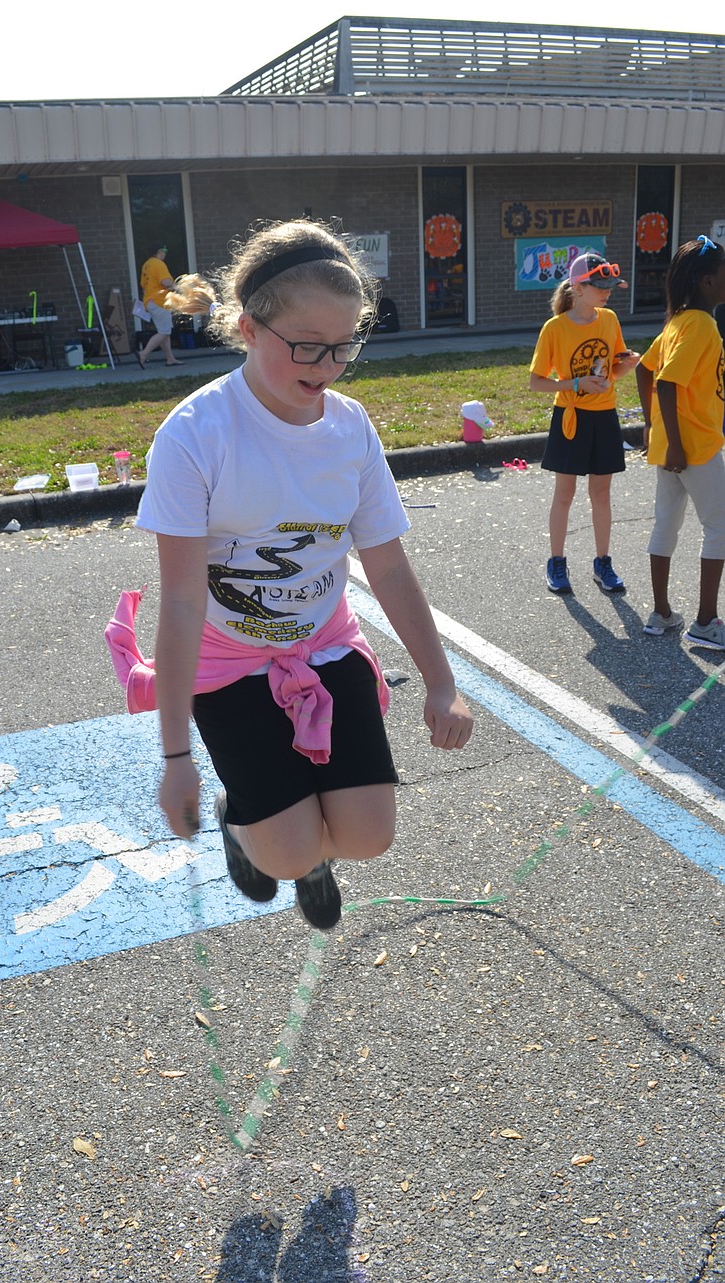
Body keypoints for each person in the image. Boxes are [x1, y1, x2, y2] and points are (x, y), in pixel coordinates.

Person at [134, 220, 473, 931]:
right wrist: (176, 758)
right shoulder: (195, 434)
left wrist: (441, 681)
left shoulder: (349, 428)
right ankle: (256, 830)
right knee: (287, 853)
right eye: (307, 346)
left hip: (321, 642)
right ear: (249, 327)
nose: (327, 365)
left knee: (369, 834)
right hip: (228, 663)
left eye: (344, 345)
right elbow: (182, 602)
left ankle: (296, 838)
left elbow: (386, 562)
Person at [529, 252, 640, 595]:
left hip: (604, 416)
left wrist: (627, 366)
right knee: (565, 493)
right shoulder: (555, 328)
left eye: (610, 286)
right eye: (600, 285)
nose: (607, 292)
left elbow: (612, 369)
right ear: (579, 288)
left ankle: (602, 563)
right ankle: (557, 562)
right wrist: (575, 385)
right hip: (570, 416)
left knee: (601, 494)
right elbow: (537, 382)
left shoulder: (609, 320)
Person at [636, 235, 725, 649]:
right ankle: (706, 623)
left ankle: (662, 614)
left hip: (674, 443)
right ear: (708, 281)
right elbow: (666, 381)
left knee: (665, 524)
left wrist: (653, 429)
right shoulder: (702, 324)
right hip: (694, 445)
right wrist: (672, 441)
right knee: (720, 526)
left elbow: (643, 369)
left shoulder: (678, 321)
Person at [137, 244, 182, 370]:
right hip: (159, 301)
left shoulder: (147, 264)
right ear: (158, 251)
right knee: (164, 332)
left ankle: (170, 359)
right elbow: (165, 282)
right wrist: (176, 287)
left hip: (150, 301)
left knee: (165, 331)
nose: (165, 253)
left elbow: (143, 284)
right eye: (164, 250)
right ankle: (143, 354)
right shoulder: (159, 264)